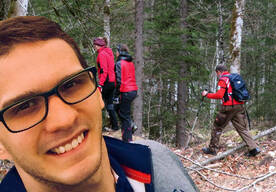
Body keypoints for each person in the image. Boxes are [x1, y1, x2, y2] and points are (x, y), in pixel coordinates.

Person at [0, 16, 198, 192]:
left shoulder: (158, 161)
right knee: (124, 114)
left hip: (117, 87)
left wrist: (106, 84)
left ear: (96, 93)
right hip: (127, 88)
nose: (65, 120)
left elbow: (105, 71)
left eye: (71, 84)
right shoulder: (117, 57)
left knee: (121, 113)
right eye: (24, 106)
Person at [201, 65, 261, 157]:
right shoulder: (234, 78)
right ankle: (253, 148)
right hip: (239, 106)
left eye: (217, 73)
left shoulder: (223, 80)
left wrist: (207, 95)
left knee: (217, 127)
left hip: (228, 108)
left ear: (219, 72)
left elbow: (219, 95)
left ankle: (212, 149)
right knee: (242, 129)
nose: (217, 75)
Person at [93, 37, 119, 131]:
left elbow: (104, 71)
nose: (94, 47)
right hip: (112, 82)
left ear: (98, 45)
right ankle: (115, 126)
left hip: (106, 82)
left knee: (97, 103)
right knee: (109, 105)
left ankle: (97, 126)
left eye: (95, 45)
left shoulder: (102, 54)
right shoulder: (108, 53)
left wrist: (100, 84)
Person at [114, 44, 138, 142]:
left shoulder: (119, 63)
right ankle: (131, 125)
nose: (115, 53)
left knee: (124, 115)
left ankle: (127, 139)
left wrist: (116, 95)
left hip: (126, 91)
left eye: (116, 51)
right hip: (133, 90)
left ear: (119, 52)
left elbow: (119, 81)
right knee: (119, 110)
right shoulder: (130, 63)